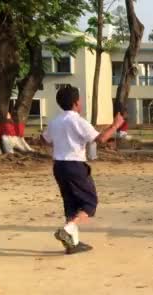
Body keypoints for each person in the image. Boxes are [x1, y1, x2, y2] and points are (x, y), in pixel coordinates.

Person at [42, 85, 125, 254]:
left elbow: (44, 139)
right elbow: (101, 139)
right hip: (75, 166)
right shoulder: (77, 120)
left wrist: (61, 142)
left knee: (70, 203)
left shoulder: (55, 121)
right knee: (89, 203)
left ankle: (73, 243)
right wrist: (116, 125)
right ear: (75, 103)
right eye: (80, 101)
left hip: (59, 165)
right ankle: (68, 228)